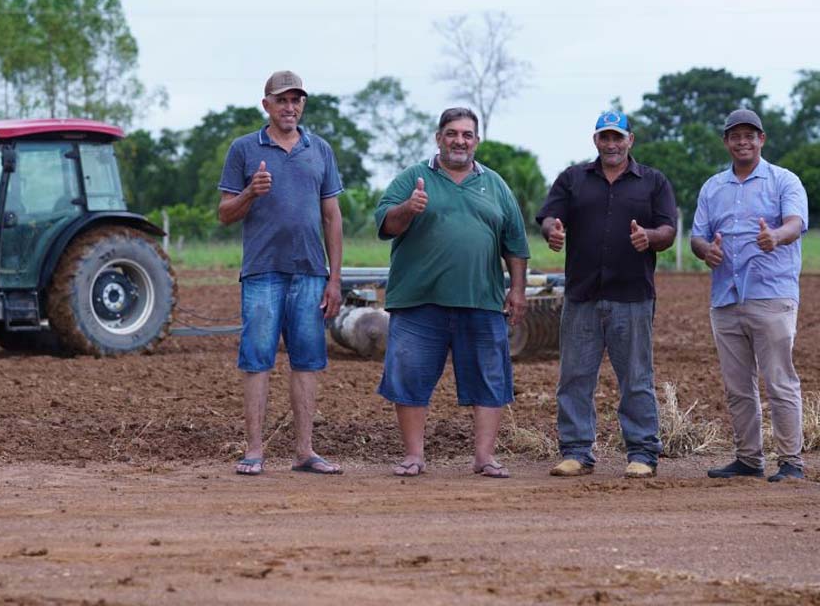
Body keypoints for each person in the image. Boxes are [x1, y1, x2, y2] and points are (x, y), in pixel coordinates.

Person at [374, 107, 529, 478]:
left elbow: (515, 244)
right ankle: (413, 455)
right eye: (452, 133)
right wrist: (409, 209)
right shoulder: (413, 178)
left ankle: (484, 457)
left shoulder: (495, 185)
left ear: (476, 140)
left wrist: (518, 290)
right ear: (438, 137)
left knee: (490, 379)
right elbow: (385, 223)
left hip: (482, 300)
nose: (459, 140)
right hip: (419, 301)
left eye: (467, 134)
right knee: (409, 375)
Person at [536, 110, 677, 479]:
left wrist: (650, 237)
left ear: (631, 140)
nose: (611, 144)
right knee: (575, 377)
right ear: (595, 140)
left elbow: (669, 230)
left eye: (618, 137)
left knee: (636, 378)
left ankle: (643, 453)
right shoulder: (573, 179)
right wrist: (553, 230)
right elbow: (549, 217)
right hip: (582, 294)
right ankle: (576, 452)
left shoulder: (653, 182)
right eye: (604, 137)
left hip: (632, 296)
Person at [217, 70, 344, 476]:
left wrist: (334, 278)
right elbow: (224, 214)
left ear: (302, 104)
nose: (290, 107)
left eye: (296, 100)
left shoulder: (319, 149)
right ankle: (254, 450)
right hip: (262, 273)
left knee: (307, 361)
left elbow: (332, 216)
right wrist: (251, 192)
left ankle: (305, 451)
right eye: (282, 100)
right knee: (257, 359)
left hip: (310, 272)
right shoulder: (243, 150)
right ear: (266, 105)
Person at [691, 109, 809, 482]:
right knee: (738, 386)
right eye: (735, 136)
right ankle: (748, 458)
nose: (743, 141)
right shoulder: (713, 188)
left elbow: (794, 223)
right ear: (726, 142)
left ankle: (791, 461)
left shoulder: (783, 181)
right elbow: (697, 235)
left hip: (771, 295)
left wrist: (775, 236)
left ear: (762, 139)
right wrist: (705, 250)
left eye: (750, 135)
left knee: (779, 381)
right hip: (726, 296)